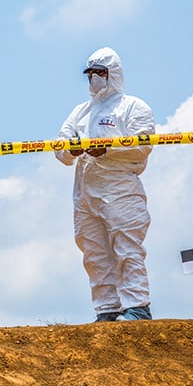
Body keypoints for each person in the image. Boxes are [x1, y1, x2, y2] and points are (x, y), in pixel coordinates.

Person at [55, 47, 155, 322]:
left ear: (113, 73)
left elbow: (143, 146)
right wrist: (70, 150)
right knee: (94, 253)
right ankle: (107, 309)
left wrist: (108, 149)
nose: (95, 78)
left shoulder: (133, 107)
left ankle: (137, 306)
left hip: (121, 190)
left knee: (127, 249)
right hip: (85, 193)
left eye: (100, 72)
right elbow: (59, 148)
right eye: (90, 73)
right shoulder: (80, 112)